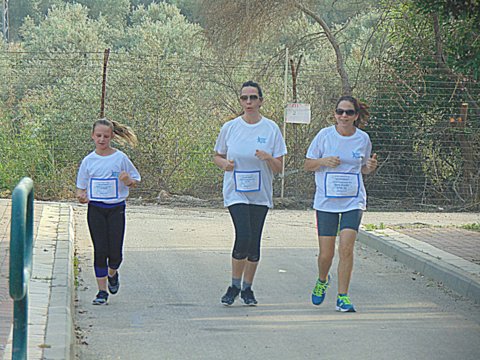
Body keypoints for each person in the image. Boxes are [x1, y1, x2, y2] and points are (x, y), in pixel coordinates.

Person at [214, 81, 287, 306]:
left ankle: (247, 288)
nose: (248, 102)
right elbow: (217, 155)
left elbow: (279, 166)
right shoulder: (230, 127)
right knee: (243, 235)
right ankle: (234, 285)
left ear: (261, 101)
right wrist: (224, 164)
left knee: (254, 241)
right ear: (240, 101)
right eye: (244, 98)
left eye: (253, 98)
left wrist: (268, 158)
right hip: (236, 191)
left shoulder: (271, 128)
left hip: (260, 193)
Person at [304, 95, 377, 312]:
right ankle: (322, 279)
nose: (343, 116)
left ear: (356, 116)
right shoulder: (324, 136)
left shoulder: (363, 139)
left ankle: (342, 296)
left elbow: (363, 168)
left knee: (346, 248)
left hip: (353, 201)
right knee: (326, 254)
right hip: (327, 202)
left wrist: (370, 167)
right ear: (335, 114)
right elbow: (308, 164)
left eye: (349, 112)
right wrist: (323, 161)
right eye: (340, 112)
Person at [76, 118, 141, 305]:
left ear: (112, 136)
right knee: (100, 250)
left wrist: (127, 180)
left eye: (105, 136)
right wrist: (81, 196)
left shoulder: (120, 158)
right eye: (98, 136)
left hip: (116, 209)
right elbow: (80, 188)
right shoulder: (88, 161)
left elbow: (134, 180)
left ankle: (113, 273)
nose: (102, 139)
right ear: (92, 136)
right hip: (96, 209)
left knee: (115, 254)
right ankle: (101, 292)